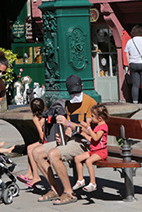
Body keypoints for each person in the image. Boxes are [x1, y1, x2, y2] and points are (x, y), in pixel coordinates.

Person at [29, 74, 97, 203]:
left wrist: (69, 124)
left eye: (77, 91)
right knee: (36, 152)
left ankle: (69, 192)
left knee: (53, 154)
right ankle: (55, 189)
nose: (75, 95)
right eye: (72, 92)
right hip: (72, 140)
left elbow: (87, 130)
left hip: (85, 141)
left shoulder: (90, 103)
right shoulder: (69, 104)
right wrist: (64, 135)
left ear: (82, 86)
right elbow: (69, 129)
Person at [72, 103, 110, 194]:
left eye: (92, 116)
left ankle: (93, 183)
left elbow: (96, 138)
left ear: (100, 118)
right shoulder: (97, 126)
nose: (91, 118)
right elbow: (92, 139)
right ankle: (80, 180)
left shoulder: (103, 127)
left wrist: (88, 128)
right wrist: (83, 133)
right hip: (94, 151)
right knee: (77, 158)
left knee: (88, 161)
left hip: (101, 152)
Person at [15, 97, 47, 187]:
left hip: (45, 141)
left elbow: (41, 134)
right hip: (48, 139)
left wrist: (41, 142)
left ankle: (36, 176)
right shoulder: (45, 116)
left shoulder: (36, 118)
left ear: (31, 109)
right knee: (30, 147)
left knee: (30, 149)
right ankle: (29, 173)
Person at [124, 26, 142, 106]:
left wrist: (129, 64)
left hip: (133, 64)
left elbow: (127, 54)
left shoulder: (130, 42)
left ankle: (135, 102)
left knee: (135, 85)